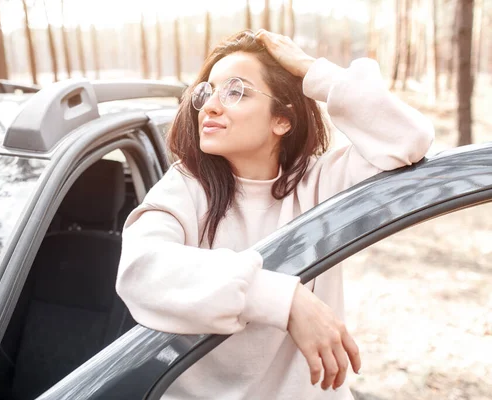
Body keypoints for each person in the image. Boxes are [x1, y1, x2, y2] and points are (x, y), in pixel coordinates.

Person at [116, 29, 434, 399]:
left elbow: (408, 140)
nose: (211, 106)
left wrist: (313, 71)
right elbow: (141, 269)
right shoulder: (186, 186)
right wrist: (284, 299)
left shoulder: (320, 183)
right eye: (207, 91)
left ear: (282, 120)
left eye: (235, 91)